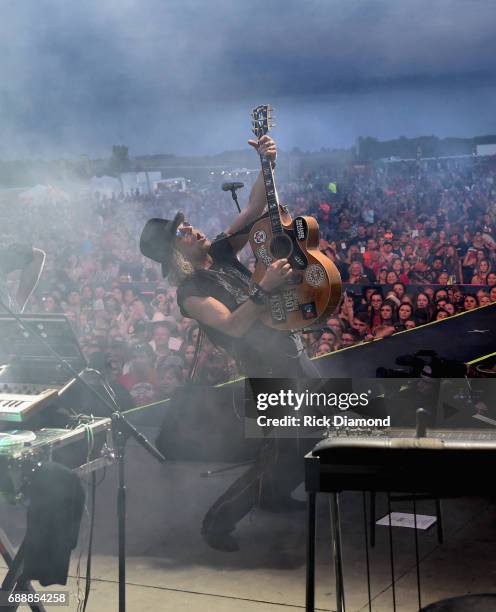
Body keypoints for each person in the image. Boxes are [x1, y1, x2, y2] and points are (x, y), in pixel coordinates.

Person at [139, 134, 320, 552]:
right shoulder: (191, 293)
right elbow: (234, 328)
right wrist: (266, 286)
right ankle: (217, 522)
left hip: (289, 353)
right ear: (174, 253)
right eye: (182, 231)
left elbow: (255, 207)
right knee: (279, 452)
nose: (192, 228)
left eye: (186, 224)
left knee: (310, 434)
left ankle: (273, 498)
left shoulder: (218, 253)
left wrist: (265, 162)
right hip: (268, 372)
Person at [0, 243, 46, 312]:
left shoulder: (2, 255)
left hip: (6, 315)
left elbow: (37, 256)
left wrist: (20, 302)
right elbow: (37, 256)